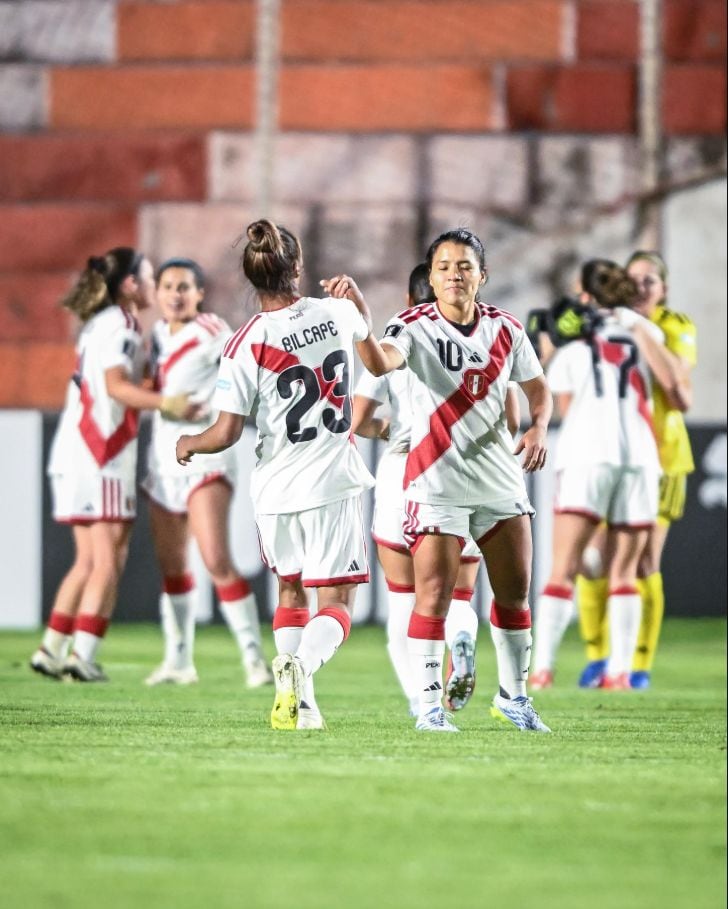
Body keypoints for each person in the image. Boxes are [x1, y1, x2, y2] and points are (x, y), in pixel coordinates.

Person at [175, 219, 391, 730]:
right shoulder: (338, 312)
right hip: (332, 481)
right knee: (336, 602)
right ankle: (302, 666)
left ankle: (302, 706)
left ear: (252, 279)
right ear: (296, 266)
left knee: (290, 590)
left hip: (275, 488)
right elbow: (379, 366)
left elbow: (226, 432)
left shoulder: (245, 342)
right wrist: (362, 308)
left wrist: (189, 442)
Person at [372, 228, 553, 733]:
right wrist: (360, 327)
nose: (455, 273)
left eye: (465, 265)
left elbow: (538, 391)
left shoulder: (506, 329)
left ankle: (515, 698)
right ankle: (429, 708)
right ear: (431, 277)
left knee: (515, 593)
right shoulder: (410, 325)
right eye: (445, 266)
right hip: (435, 480)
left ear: (482, 275)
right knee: (433, 595)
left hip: (498, 480)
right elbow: (378, 361)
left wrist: (538, 426)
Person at [352, 262, 521, 716]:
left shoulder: (398, 336)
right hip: (463, 471)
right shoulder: (485, 341)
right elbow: (512, 420)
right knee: (458, 592)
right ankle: (461, 634)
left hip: (402, 473)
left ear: (409, 303)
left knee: (406, 597)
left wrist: (391, 429)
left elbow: (356, 419)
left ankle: (421, 700)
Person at [30, 248, 197, 682]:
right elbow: (115, 386)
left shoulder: (98, 325)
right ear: (129, 285)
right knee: (109, 558)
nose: (150, 285)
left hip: (74, 451)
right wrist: (167, 401)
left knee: (86, 561)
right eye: (145, 277)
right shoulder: (122, 325)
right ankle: (82, 655)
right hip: (100, 453)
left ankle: (51, 649)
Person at [529, 259, 671, 690]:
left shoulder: (573, 346)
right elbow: (667, 384)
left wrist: (552, 340)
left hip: (587, 454)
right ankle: (620, 673)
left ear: (586, 295)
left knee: (563, 569)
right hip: (640, 456)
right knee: (626, 572)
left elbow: (565, 406)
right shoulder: (646, 334)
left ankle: (542, 670)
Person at [141, 257, 273, 688]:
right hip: (163, 460)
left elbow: (251, 366)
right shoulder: (159, 335)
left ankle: (255, 662)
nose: (175, 295)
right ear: (157, 293)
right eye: (167, 286)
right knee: (174, 566)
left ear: (200, 294)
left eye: (184, 287)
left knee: (215, 559)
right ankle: (178, 661)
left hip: (205, 458)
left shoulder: (213, 331)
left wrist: (224, 403)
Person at [575, 251, 696, 689]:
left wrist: (641, 333)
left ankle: (639, 665)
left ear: (664, 289)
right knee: (593, 562)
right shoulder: (603, 324)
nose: (642, 287)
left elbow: (678, 384)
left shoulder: (672, 326)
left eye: (651, 281)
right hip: (609, 455)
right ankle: (597, 657)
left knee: (643, 564)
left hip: (662, 459)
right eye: (634, 279)